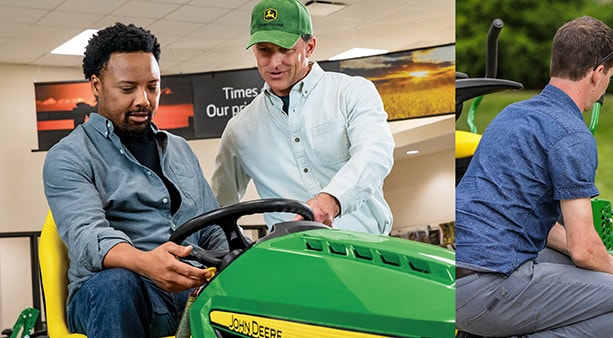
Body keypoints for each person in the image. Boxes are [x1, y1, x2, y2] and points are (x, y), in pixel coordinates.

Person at [454, 16, 613, 337]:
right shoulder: (571, 133)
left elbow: (542, 223)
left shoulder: (513, 115)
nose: (606, 86)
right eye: (610, 77)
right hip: (487, 289)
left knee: (584, 269)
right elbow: (583, 248)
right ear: (597, 74)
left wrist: (609, 262)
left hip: (453, 274)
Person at [42, 22, 227, 337]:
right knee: (117, 283)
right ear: (97, 85)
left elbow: (210, 228)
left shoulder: (180, 150)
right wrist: (147, 264)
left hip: (188, 292)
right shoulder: (68, 157)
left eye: (153, 87)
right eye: (128, 89)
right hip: (112, 297)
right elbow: (89, 238)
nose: (144, 100)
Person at [213, 0, 395, 235]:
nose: (274, 63)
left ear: (309, 47)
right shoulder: (239, 130)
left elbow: (375, 154)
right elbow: (219, 205)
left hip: (368, 251)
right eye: (264, 51)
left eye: (285, 49)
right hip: (294, 262)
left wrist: (330, 201)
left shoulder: (351, 92)